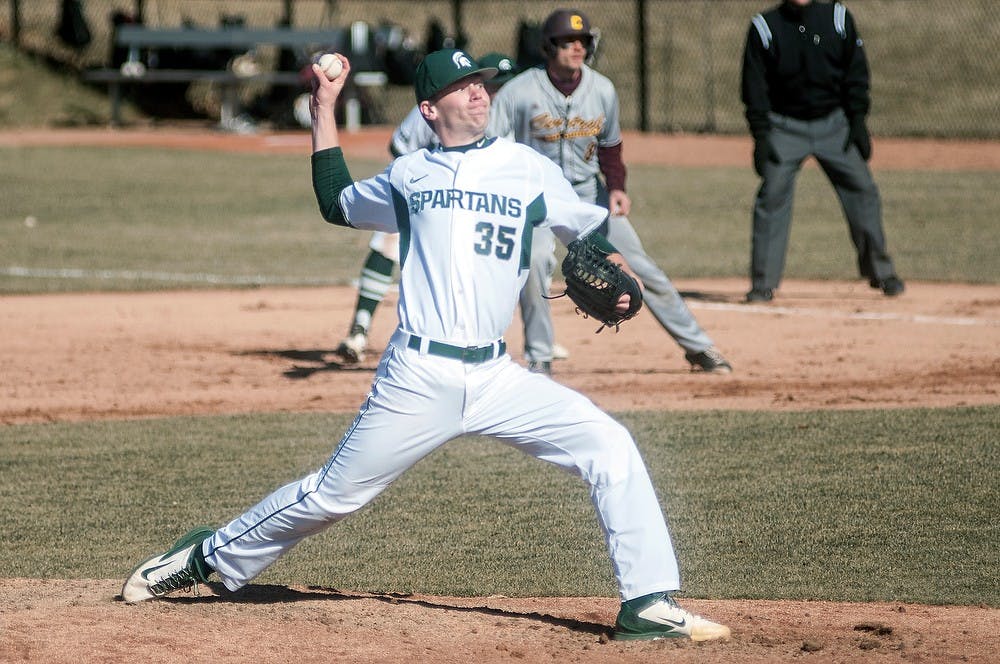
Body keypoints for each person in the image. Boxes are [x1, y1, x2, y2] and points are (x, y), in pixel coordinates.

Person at [120, 48, 731, 643]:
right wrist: (323, 109)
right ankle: (204, 558)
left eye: (484, 85)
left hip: (498, 377)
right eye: (463, 87)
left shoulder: (526, 166)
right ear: (429, 110)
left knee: (610, 444)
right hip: (418, 375)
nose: (479, 93)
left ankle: (648, 601)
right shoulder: (410, 174)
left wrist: (616, 274)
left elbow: (588, 234)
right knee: (336, 495)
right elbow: (337, 202)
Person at [489, 8, 733, 374]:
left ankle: (698, 346)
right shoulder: (518, 92)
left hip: (590, 197)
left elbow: (611, 146)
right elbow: (496, 149)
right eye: (567, 42)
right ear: (547, 46)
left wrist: (617, 188)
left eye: (583, 41)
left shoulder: (602, 89)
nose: (577, 48)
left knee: (641, 267)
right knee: (536, 262)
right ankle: (540, 355)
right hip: (538, 202)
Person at [334, 52, 571, 369]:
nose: (493, 92)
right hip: (430, 198)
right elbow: (399, 149)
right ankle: (360, 329)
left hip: (488, 210)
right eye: (492, 84)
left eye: (501, 84)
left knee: (527, 256)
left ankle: (535, 340)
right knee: (387, 240)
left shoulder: (513, 118)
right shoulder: (435, 111)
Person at [741, 0, 905, 302]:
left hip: (834, 124)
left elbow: (856, 71)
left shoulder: (838, 18)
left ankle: (882, 273)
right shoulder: (765, 27)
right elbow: (755, 87)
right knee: (772, 196)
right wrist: (762, 136)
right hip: (784, 126)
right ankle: (762, 283)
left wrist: (857, 121)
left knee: (863, 189)